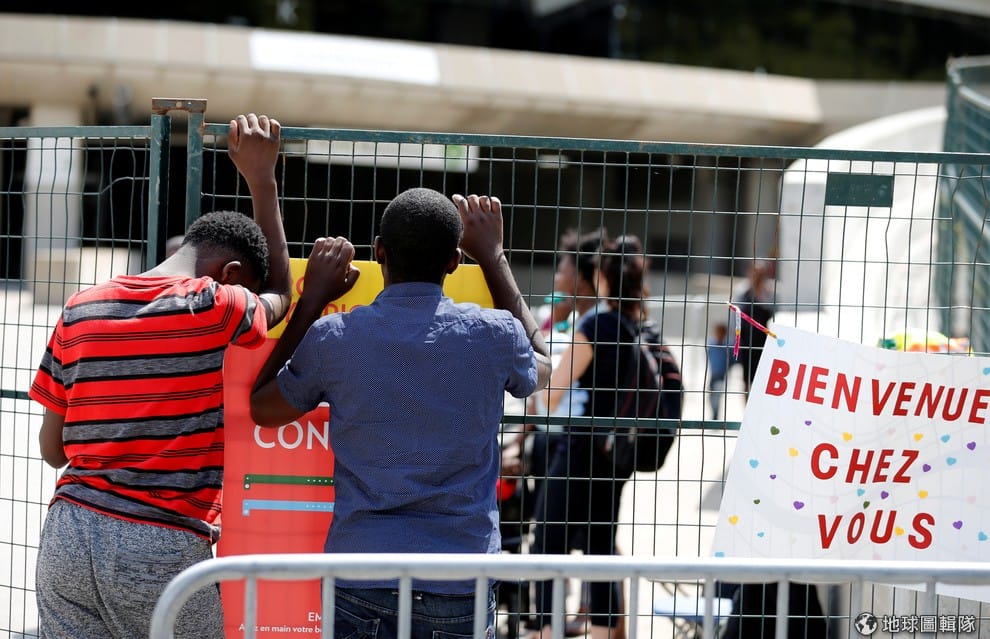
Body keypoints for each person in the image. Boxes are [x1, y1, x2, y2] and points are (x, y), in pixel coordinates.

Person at [29, 113, 292, 639]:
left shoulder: (80, 306)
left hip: (66, 536)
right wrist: (262, 179)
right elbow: (281, 296)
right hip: (158, 544)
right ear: (230, 276)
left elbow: (53, 450)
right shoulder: (211, 304)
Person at [248, 189, 552, 639]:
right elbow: (543, 366)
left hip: (361, 574)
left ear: (379, 252)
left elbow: (263, 407)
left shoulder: (335, 337)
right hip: (459, 578)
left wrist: (312, 299)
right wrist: (493, 257)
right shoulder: (495, 334)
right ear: (454, 262)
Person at [529, 235, 656, 639]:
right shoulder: (637, 326)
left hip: (580, 448)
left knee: (547, 544)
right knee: (600, 548)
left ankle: (546, 630)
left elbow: (552, 395)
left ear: (602, 277)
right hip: (615, 454)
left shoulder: (595, 326)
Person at [732, 259, 774, 395]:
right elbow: (735, 317)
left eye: (761, 273)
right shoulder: (742, 292)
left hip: (765, 343)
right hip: (746, 342)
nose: (758, 276)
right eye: (756, 272)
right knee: (747, 379)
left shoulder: (770, 293)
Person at [706, 322, 729, 419]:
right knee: (711, 396)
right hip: (713, 374)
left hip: (721, 376)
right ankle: (714, 416)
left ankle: (715, 417)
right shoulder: (711, 344)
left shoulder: (727, 346)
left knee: (717, 397)